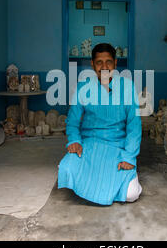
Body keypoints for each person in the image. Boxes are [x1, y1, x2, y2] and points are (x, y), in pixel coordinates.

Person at [58, 43, 142, 205]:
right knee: (66, 168)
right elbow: (72, 122)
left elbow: (134, 126)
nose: (104, 67)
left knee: (131, 194)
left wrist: (129, 156)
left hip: (118, 148)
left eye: (109, 62)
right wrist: (74, 141)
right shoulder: (83, 88)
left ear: (115, 63)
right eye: (99, 62)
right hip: (89, 146)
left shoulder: (127, 87)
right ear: (92, 64)